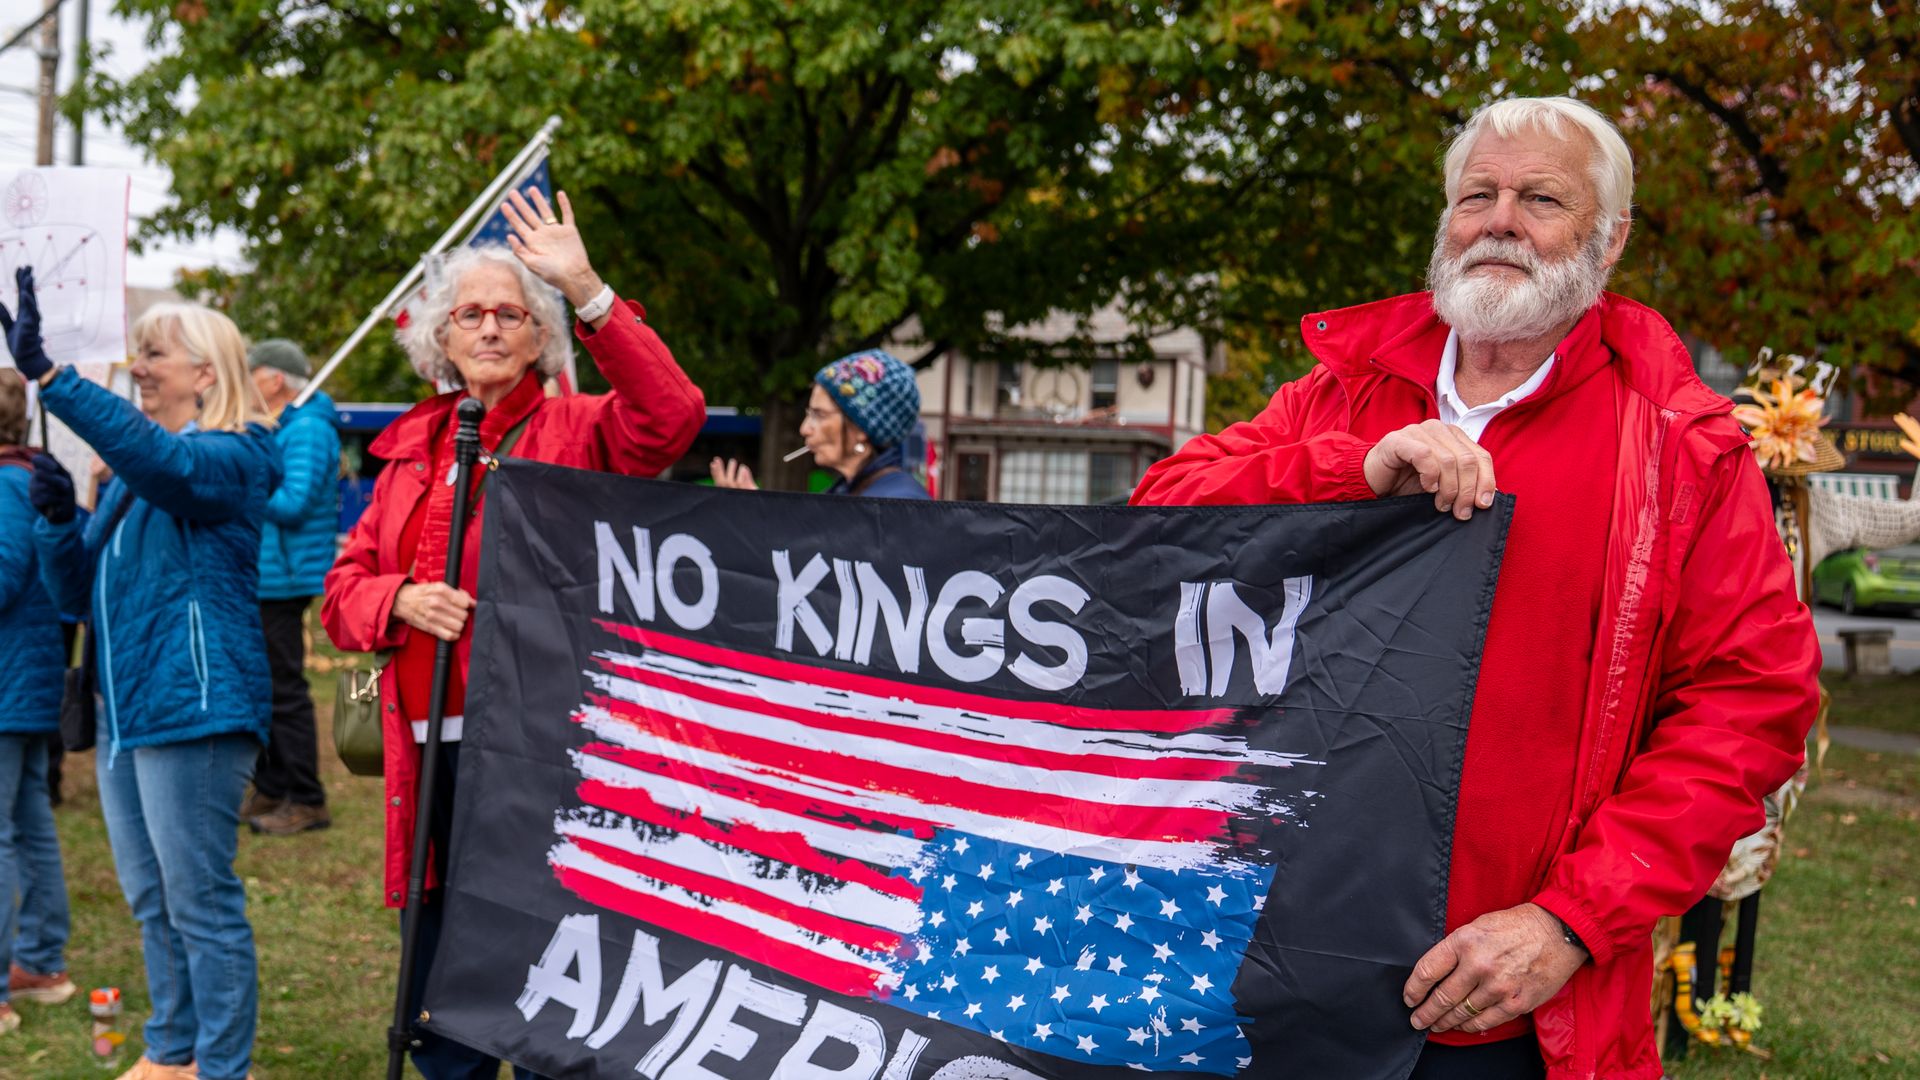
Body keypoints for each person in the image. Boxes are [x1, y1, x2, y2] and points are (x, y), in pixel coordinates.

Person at [1131, 97, 1818, 1080]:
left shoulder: (1678, 446)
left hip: (1503, 1011)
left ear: (1608, 240)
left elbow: (1753, 707)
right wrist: (1350, 470)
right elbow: (1155, 520)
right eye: (1476, 196)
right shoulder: (1343, 394)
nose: (1499, 220)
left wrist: (1567, 925)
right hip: (1277, 973)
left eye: (1540, 197)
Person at [321, 187, 705, 1080]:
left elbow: (671, 417)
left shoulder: (577, 430)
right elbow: (341, 591)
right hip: (426, 749)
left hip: (539, 747)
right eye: (470, 314)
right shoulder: (409, 448)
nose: (490, 327)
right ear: (440, 339)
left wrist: (587, 288)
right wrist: (398, 600)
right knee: (444, 946)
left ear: (540, 337)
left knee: (541, 947)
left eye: (510, 313)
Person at [10, 273, 279, 1080]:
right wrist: (59, 523)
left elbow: (168, 463)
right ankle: (173, 1052)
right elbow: (75, 598)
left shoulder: (234, 455)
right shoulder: (131, 478)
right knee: (153, 899)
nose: (138, 365)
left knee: (201, 901)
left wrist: (55, 382)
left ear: (206, 372)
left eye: (155, 353)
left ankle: (221, 1067)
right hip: (128, 715)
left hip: (195, 706)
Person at [0, 370, 75, 1037]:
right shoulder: (34, 478)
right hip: (25, 682)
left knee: (7, 832)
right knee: (27, 822)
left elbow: (3, 575)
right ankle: (42, 964)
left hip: (8, 685)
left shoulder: (5, 485)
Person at [242, 338, 340, 836]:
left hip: (283, 577)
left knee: (284, 690)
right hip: (268, 573)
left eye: (251, 372)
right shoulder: (284, 427)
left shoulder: (307, 430)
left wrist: (245, 476)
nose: (245, 381)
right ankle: (273, 785)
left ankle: (306, 798)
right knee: (264, 686)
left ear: (275, 379)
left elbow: (294, 504)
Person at [708, 349, 931, 499]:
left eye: (820, 415)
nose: (805, 428)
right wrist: (755, 509)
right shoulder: (845, 492)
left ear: (861, 428)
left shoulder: (897, 504)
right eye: (808, 413)